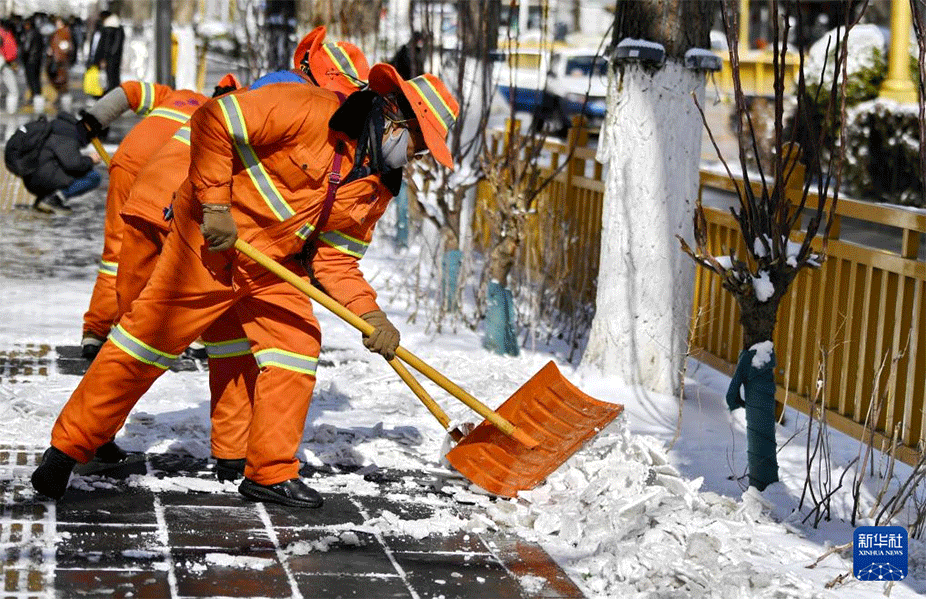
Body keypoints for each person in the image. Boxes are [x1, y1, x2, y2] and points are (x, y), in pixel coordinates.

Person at [31, 62, 459, 509]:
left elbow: (334, 257)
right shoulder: (307, 109)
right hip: (208, 243)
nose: (415, 158)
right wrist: (216, 205)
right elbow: (212, 120)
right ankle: (66, 450)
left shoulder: (377, 187)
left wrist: (370, 315)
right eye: (419, 145)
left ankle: (269, 474)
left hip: (272, 264)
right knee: (146, 341)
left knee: (298, 344)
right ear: (395, 118)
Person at [114, 31, 370, 481]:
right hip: (178, 211)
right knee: (140, 339)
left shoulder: (287, 96)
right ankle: (83, 442)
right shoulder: (285, 94)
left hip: (199, 221)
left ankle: (230, 454)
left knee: (223, 344)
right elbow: (238, 164)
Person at [76, 80, 208, 361]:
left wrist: (91, 121)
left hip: (129, 160)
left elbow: (130, 91)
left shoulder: (174, 95)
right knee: (181, 253)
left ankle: (95, 332)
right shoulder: (221, 113)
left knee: (117, 250)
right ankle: (187, 333)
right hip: (167, 173)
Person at [19, 113, 102, 214]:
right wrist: (90, 160)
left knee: (56, 167)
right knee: (93, 176)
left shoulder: (56, 127)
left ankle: (43, 200)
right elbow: (73, 164)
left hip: (31, 178)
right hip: (42, 178)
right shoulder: (68, 133)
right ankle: (54, 199)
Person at [88, 10, 123, 94]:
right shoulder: (118, 27)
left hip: (108, 58)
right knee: (114, 78)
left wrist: (104, 58)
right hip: (115, 58)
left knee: (109, 78)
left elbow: (105, 45)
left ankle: (110, 94)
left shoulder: (107, 28)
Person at [47, 16, 74, 112]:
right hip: (56, 58)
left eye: (58, 22)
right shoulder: (58, 32)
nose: (56, 23)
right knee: (57, 78)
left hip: (59, 59)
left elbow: (65, 46)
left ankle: (62, 99)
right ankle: (60, 97)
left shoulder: (64, 32)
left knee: (61, 78)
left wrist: (60, 55)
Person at [19, 16, 42, 113]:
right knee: (36, 79)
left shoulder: (29, 34)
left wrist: (21, 55)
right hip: (37, 60)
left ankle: (35, 98)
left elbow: (26, 48)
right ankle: (37, 98)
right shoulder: (38, 33)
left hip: (30, 61)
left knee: (31, 80)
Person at [0, 20, 19, 113]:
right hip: (5, 64)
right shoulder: (7, 36)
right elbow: (11, 53)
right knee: (13, 91)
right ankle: (11, 111)